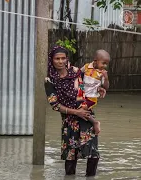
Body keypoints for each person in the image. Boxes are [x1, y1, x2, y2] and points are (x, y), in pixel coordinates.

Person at [44, 46, 100, 176]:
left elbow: (88, 88)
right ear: (51, 60)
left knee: (93, 153)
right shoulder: (49, 80)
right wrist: (75, 112)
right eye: (57, 58)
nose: (60, 61)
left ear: (67, 59)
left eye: (63, 58)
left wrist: (99, 89)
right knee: (70, 155)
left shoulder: (76, 72)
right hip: (69, 121)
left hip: (86, 115)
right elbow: (55, 105)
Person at [80, 49, 110, 135]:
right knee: (79, 108)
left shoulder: (102, 73)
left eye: (106, 64)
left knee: (82, 109)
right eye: (103, 63)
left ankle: (95, 122)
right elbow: (78, 74)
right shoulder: (86, 67)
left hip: (92, 97)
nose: (105, 66)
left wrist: (106, 78)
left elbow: (106, 87)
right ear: (95, 61)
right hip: (82, 95)